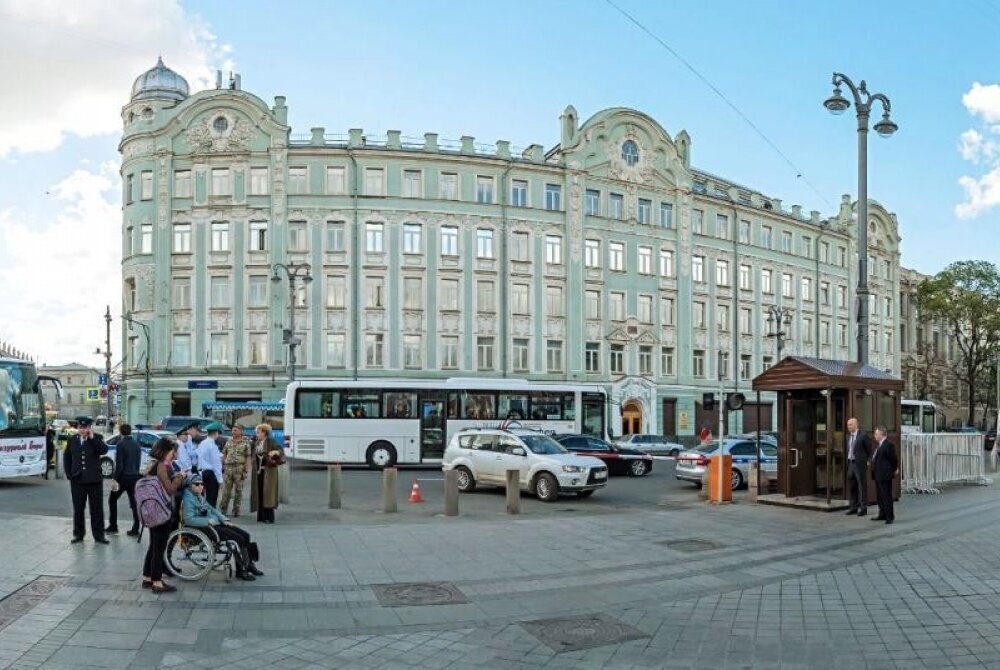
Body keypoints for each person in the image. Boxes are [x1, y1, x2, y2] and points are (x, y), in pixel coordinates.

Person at [181, 474, 263, 580]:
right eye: (197, 484)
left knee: (246, 535)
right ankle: (241, 569)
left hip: (214, 523)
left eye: (202, 484)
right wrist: (208, 521)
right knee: (238, 539)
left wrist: (224, 519)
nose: (200, 486)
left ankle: (250, 564)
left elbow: (212, 509)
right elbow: (189, 519)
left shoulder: (198, 496)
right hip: (205, 527)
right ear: (189, 486)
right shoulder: (189, 500)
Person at [141, 438, 185, 593]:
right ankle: (157, 582)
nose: (173, 454)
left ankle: (147, 577)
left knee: (153, 546)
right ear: (165, 451)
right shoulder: (161, 466)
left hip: (152, 510)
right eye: (172, 451)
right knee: (159, 548)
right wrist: (180, 476)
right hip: (161, 511)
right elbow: (170, 488)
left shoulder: (151, 464)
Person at [63, 417, 109, 545]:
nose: (83, 430)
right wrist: (69, 473)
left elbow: (104, 450)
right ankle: (78, 534)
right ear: (78, 428)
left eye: (85, 428)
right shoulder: (72, 440)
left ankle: (99, 535)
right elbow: (67, 457)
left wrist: (92, 437)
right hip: (77, 481)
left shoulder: (97, 438)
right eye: (81, 428)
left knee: (97, 510)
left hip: (94, 481)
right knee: (78, 509)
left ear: (90, 428)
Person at [107, 423, 142, 536]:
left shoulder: (120, 444)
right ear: (130, 431)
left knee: (112, 500)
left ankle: (113, 525)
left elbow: (120, 465)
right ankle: (136, 527)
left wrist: (114, 479)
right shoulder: (136, 444)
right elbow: (138, 463)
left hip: (123, 478)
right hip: (134, 477)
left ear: (121, 432)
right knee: (134, 503)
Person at [251, 423, 284, 524]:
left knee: (268, 494)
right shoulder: (257, 443)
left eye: (258, 432)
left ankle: (269, 517)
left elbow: (280, 451)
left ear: (264, 433)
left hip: (268, 472)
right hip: (258, 472)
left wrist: (275, 452)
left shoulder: (271, 441)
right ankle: (261, 516)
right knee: (259, 493)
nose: (257, 434)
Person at [219, 425, 252, 516]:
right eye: (232, 430)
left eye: (235, 430)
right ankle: (223, 509)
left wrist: (246, 471)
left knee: (238, 491)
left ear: (241, 431)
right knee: (226, 490)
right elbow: (224, 454)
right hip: (228, 468)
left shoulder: (245, 443)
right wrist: (222, 466)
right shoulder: (228, 441)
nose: (233, 432)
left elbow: (248, 457)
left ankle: (236, 510)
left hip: (239, 468)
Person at [844, 417, 872, 517]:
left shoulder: (863, 436)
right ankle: (853, 507)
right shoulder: (848, 436)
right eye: (848, 425)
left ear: (856, 425)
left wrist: (868, 461)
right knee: (852, 486)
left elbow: (869, 450)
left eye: (850, 425)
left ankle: (863, 508)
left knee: (862, 486)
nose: (848, 427)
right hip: (850, 463)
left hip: (859, 464)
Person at [871, 425, 898, 525]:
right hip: (878, 474)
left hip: (885, 474)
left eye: (876, 434)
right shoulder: (879, 445)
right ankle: (882, 513)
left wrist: (894, 469)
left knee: (886, 496)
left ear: (882, 434)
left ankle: (889, 516)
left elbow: (893, 459)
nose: (875, 436)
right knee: (880, 496)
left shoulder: (888, 445)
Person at [197, 423, 224, 507]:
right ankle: (211, 517)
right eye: (218, 433)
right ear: (216, 433)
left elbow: (199, 459)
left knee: (206, 496)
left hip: (204, 472)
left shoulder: (202, 443)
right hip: (212, 474)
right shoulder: (213, 446)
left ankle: (207, 515)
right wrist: (220, 480)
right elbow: (216, 464)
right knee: (212, 498)